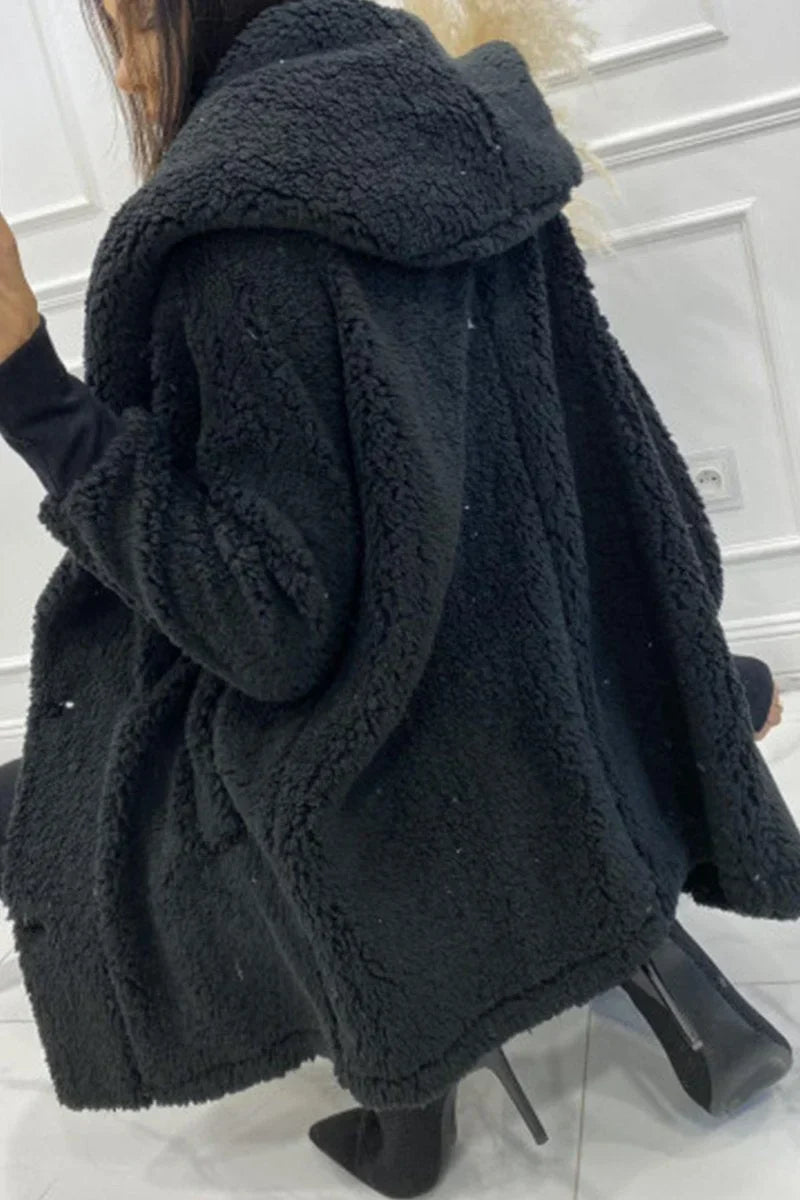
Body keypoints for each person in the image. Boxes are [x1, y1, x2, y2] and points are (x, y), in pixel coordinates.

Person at [0, 2, 798, 1195]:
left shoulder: (231, 231)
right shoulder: (459, 119)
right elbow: (615, 464)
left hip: (390, 753)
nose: (121, 70)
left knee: (42, 814)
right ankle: (641, 950)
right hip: (571, 680)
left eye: (130, 22)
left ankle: (406, 1081)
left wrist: (31, 392)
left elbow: (265, 630)